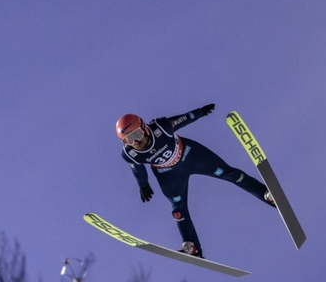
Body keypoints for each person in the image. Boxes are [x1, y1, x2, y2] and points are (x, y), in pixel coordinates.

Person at [116, 104, 275, 259]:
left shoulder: (161, 127)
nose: (135, 142)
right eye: (128, 140)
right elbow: (138, 170)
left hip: (191, 155)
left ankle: (266, 194)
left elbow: (184, 119)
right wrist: (143, 185)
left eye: (136, 135)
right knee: (178, 210)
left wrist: (200, 112)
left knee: (228, 173)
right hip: (169, 175)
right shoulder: (130, 154)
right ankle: (191, 246)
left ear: (144, 128)